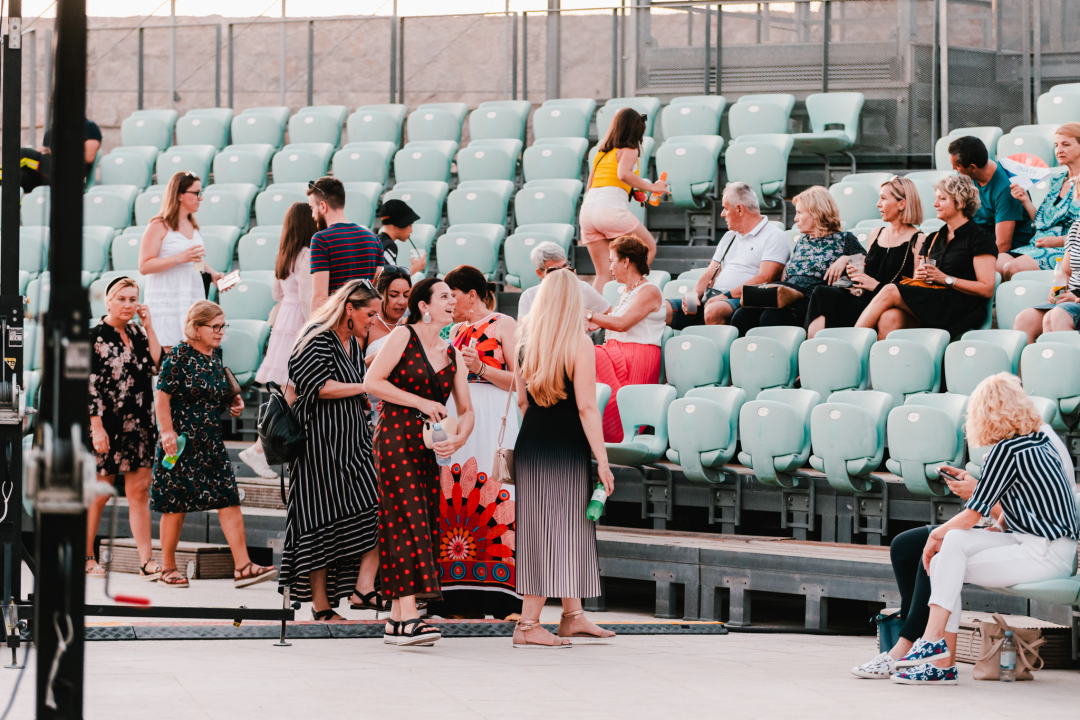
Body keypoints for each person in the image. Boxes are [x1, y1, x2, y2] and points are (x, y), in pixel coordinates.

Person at [853, 399, 1074, 679]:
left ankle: (919, 649)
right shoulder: (1020, 443)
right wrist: (985, 499)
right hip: (1020, 533)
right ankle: (929, 651)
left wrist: (976, 495)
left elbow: (1026, 509)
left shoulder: (1026, 445)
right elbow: (1018, 502)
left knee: (940, 551)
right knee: (916, 547)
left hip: (1040, 543)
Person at [365, 278, 475, 646]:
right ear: (424, 305)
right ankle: (409, 614)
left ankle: (398, 619)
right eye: (444, 296)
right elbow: (372, 382)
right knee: (408, 519)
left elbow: (467, 409)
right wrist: (421, 402)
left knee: (418, 522)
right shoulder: (403, 336)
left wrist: (459, 438)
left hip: (431, 446)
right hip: (395, 438)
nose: (452, 300)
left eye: (452, 296)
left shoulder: (452, 352)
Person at [511, 268, 617, 648]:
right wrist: (602, 460)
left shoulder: (523, 338)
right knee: (554, 530)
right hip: (565, 445)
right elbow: (588, 408)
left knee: (564, 527)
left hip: (533, 442)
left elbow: (523, 401)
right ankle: (527, 625)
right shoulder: (579, 343)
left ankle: (572, 616)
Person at [279, 280, 386, 622]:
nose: (373, 320)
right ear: (349, 309)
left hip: (352, 443)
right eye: (369, 313)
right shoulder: (316, 336)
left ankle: (362, 588)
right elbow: (319, 387)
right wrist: (366, 386)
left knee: (376, 509)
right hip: (317, 449)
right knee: (318, 523)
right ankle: (322, 608)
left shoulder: (353, 342)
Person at [152, 301, 277, 589]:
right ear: (196, 328)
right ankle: (167, 569)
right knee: (174, 505)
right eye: (215, 327)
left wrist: (232, 402)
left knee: (228, 499)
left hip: (210, 441)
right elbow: (162, 397)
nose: (221, 332)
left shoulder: (214, 355)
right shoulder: (178, 356)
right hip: (180, 444)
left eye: (224, 326)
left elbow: (211, 393)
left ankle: (244, 567)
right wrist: (167, 432)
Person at [437, 265, 522, 620]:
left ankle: (504, 600)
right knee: (456, 496)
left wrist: (481, 368)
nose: (449, 302)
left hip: (493, 416)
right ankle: (458, 598)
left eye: (452, 295)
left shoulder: (504, 324)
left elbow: (522, 379)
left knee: (494, 496)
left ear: (471, 295)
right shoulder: (452, 330)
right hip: (459, 414)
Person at [855, 175, 997, 340]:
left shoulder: (980, 238)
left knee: (890, 289)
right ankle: (883, 363)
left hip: (961, 306)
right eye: (936, 198)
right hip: (935, 300)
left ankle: (856, 344)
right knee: (890, 317)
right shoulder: (933, 238)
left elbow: (987, 289)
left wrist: (945, 279)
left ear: (961, 203)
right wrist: (921, 277)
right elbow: (923, 281)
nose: (935, 204)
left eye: (942, 199)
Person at [86, 277, 163, 579]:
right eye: (122, 299)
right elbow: (88, 385)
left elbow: (158, 363)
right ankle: (88, 556)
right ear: (108, 301)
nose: (129, 305)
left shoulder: (137, 332)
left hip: (141, 422)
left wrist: (149, 326)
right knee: (101, 491)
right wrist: (96, 427)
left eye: (133, 299)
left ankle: (146, 561)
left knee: (140, 492)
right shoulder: (93, 336)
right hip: (107, 425)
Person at [240, 202, 317, 480]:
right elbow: (309, 299)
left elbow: (277, 293)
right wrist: (314, 329)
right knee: (291, 391)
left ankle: (266, 449)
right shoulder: (307, 254)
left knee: (289, 390)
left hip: (285, 319)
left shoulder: (284, 254)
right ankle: (260, 450)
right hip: (299, 322)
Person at [730, 186, 864, 336]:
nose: (795, 219)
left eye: (800, 213)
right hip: (785, 294)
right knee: (742, 315)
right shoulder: (802, 240)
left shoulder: (844, 239)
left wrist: (846, 259)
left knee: (771, 317)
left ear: (817, 213)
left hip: (813, 300)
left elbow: (867, 264)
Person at [807, 177, 924, 337]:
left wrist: (876, 285)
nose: (878, 204)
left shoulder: (919, 240)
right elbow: (868, 274)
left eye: (883, 198)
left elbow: (918, 290)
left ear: (901, 204)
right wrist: (857, 279)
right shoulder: (876, 233)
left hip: (891, 303)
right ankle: (816, 348)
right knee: (822, 293)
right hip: (866, 297)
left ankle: (853, 346)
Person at [666, 182, 789, 330]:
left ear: (739, 209)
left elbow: (765, 278)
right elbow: (711, 271)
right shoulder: (729, 236)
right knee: (659, 309)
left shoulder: (774, 235)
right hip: (713, 298)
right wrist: (693, 296)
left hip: (740, 301)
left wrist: (726, 296)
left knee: (713, 310)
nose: (722, 214)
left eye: (725, 208)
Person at [139, 171, 230, 348]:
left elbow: (195, 259)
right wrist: (178, 258)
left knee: (194, 349)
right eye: (196, 193)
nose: (200, 198)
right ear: (180, 195)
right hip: (168, 296)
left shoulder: (192, 225)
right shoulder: (158, 225)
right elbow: (144, 266)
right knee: (170, 352)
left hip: (191, 294)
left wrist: (213, 274)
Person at [580, 107, 668, 289]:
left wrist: (632, 190)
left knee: (603, 273)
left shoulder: (601, 153)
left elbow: (593, 185)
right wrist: (653, 187)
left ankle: (594, 315)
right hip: (609, 209)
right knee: (649, 247)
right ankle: (631, 291)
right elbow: (623, 174)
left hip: (588, 212)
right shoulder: (629, 149)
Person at [588, 235, 666, 442]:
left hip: (636, 356)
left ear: (625, 261)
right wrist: (595, 322)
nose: (610, 268)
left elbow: (623, 324)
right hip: (617, 353)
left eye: (612, 261)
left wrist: (588, 314)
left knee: (588, 353)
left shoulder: (649, 290)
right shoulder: (626, 292)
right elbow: (613, 322)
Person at [1000, 122, 1080, 277]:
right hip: (1037, 245)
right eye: (1056, 145)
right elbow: (1043, 222)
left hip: (1067, 250)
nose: (1059, 150)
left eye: (1066, 144)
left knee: (1011, 268)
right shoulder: (1057, 180)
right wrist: (1025, 201)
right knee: (990, 265)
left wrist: (1058, 241)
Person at [948, 135, 1034, 255]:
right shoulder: (967, 178)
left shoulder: (1006, 188)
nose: (954, 169)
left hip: (1008, 250)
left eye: (957, 166)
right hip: (978, 241)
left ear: (972, 167)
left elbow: (1003, 244)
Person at [308, 176, 383, 311]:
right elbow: (377, 289)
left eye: (312, 208)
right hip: (366, 324)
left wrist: (313, 330)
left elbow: (320, 297)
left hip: (337, 324)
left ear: (323, 206)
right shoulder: (374, 239)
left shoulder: (321, 240)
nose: (313, 215)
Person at [1013, 219, 1080, 344]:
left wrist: (1076, 295)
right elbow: (1066, 271)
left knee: (1057, 315)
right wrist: (1060, 291)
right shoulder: (1077, 226)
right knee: (1024, 319)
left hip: (1076, 299)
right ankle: (1033, 364)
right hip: (1071, 298)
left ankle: (1068, 363)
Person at [516, 242, 610, 320]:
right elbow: (523, 331)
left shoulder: (582, 287)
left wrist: (593, 322)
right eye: (554, 270)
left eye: (565, 266)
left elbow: (610, 314)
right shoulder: (529, 295)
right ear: (540, 273)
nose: (563, 273)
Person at [375, 198, 427, 276]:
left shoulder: (377, 240)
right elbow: (389, 281)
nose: (411, 231)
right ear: (399, 224)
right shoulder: (388, 245)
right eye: (410, 225)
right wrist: (415, 268)